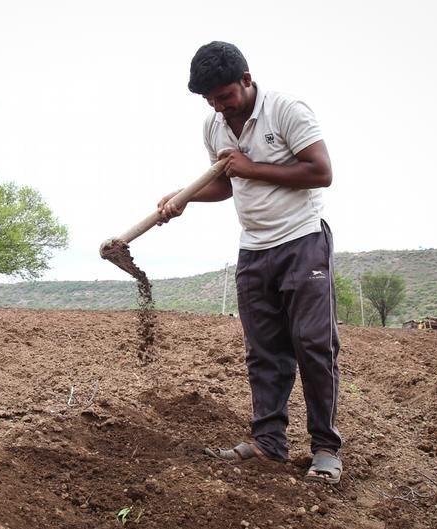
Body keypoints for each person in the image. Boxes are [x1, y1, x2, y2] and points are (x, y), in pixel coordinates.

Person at [157, 41, 342, 484]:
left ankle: (325, 450)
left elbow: (321, 172)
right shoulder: (214, 126)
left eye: (225, 96)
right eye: (209, 100)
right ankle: (269, 444)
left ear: (246, 80)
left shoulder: (287, 111)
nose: (219, 107)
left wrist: (250, 167)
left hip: (302, 240)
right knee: (263, 351)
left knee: (314, 346)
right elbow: (225, 184)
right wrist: (185, 199)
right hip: (254, 248)